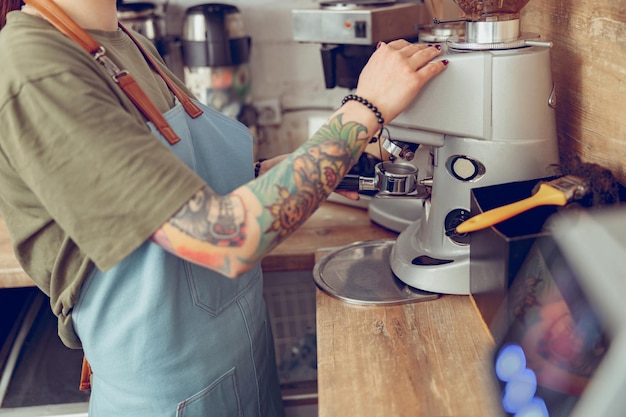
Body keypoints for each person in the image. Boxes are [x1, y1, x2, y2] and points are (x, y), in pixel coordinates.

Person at [0, 0, 447, 416]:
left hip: (248, 371)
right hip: (169, 400)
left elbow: (197, 188)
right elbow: (223, 237)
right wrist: (364, 108)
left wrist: (326, 162)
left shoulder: (123, 40)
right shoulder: (36, 67)